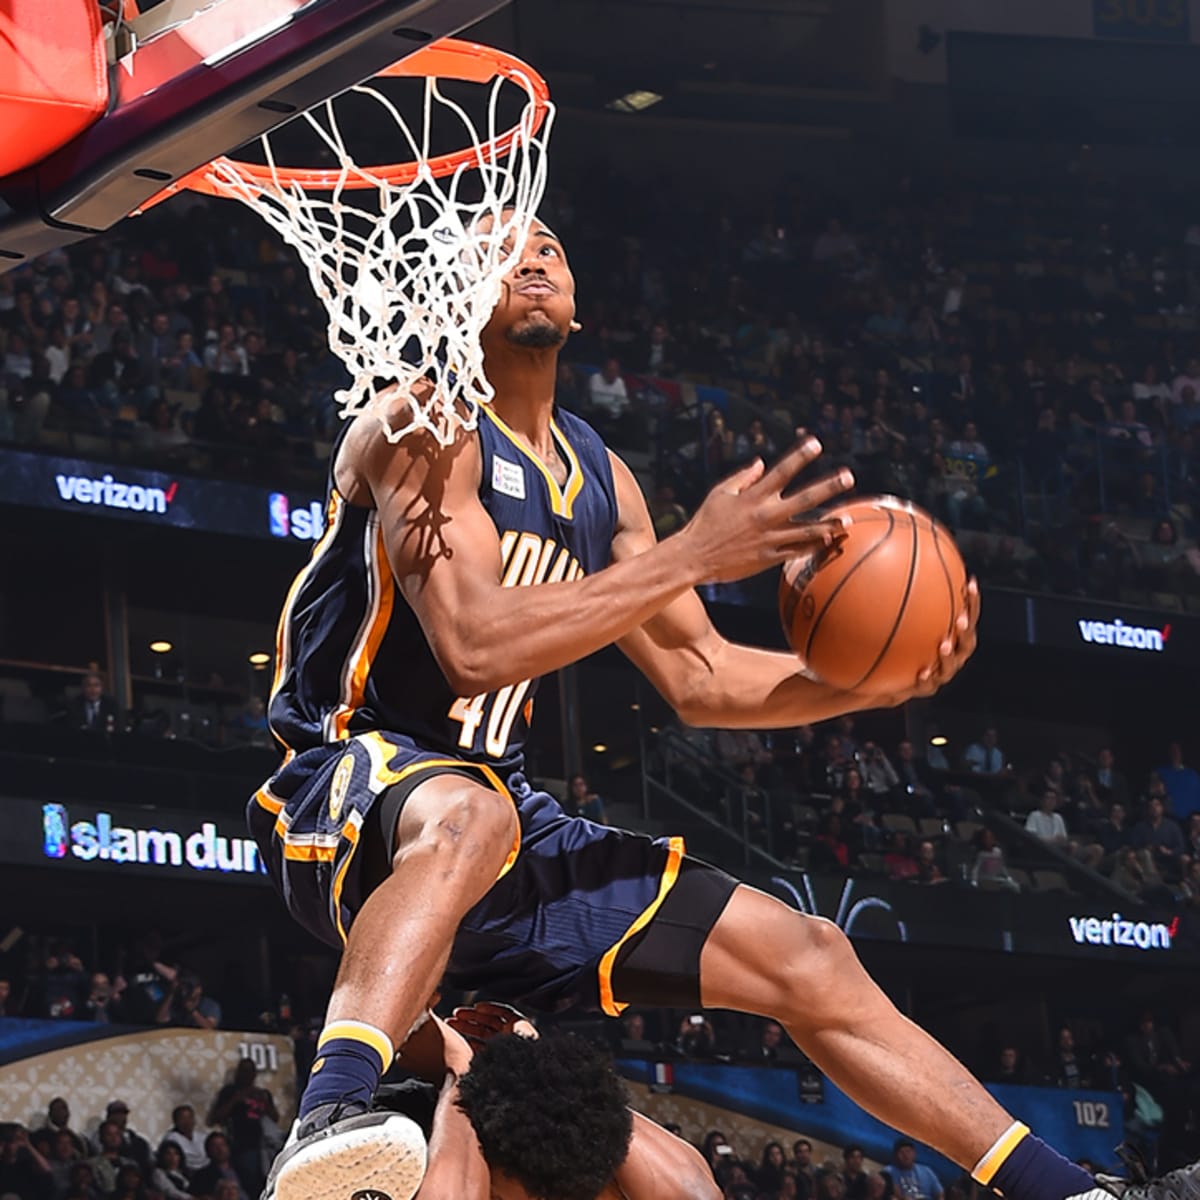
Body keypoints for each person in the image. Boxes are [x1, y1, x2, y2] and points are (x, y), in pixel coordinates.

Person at [247, 214, 1153, 1200]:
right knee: (472, 811)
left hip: (497, 833)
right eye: (500, 251)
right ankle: (330, 1120)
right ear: (454, 296)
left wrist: (862, 687)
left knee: (809, 953)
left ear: (580, 300)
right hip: (349, 786)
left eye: (551, 244)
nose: (534, 257)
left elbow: (702, 676)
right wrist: (694, 553)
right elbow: (470, 647)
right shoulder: (424, 429)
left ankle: (1065, 1190)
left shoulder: (600, 477)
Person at [207, 1058, 278, 1198]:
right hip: (240, 1146)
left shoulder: (262, 1093)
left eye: (250, 1071)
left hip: (265, 1147)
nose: (247, 1074)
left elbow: (275, 1118)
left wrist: (265, 1101)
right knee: (247, 1185)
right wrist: (236, 1099)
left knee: (268, 1184)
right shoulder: (229, 1091)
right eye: (244, 1070)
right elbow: (215, 1118)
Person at [161, 1106, 208, 1176]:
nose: (187, 1122)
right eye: (182, 1119)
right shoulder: (171, 1138)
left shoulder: (203, 1137)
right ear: (175, 1122)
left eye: (190, 1118)